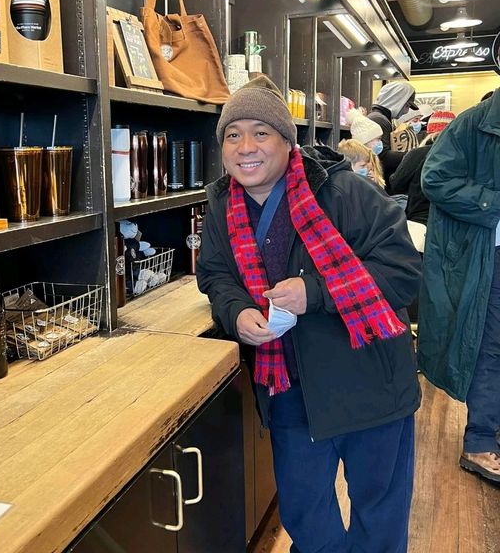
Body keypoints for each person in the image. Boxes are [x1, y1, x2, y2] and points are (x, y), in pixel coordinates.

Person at [196, 75, 421, 553]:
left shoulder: (343, 193)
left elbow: (404, 271)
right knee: (304, 513)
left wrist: (316, 292)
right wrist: (235, 312)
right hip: (288, 389)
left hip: (369, 382)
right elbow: (215, 275)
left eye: (261, 132)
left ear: (286, 140)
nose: (246, 147)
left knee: (378, 520)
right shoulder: (221, 204)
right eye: (232, 135)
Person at [419, 89, 500, 484]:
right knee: (490, 346)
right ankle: (480, 440)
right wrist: (493, 202)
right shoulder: (475, 123)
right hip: (489, 256)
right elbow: (434, 178)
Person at [390, 111, 456, 226]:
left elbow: (397, 184)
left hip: (420, 221)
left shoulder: (417, 154)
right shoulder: (461, 156)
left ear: (430, 131)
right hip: (452, 221)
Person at [368, 81, 419, 185]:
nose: (406, 111)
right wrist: (413, 156)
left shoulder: (381, 118)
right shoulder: (379, 119)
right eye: (407, 106)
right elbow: (382, 156)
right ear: (397, 100)